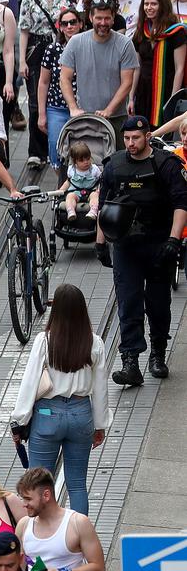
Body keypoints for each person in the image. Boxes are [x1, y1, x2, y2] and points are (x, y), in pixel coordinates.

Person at [98, 115, 187, 386]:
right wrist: (100, 242)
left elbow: (182, 204)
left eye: (136, 138)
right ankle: (130, 361)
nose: (131, 143)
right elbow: (103, 204)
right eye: (126, 139)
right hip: (126, 246)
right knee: (128, 303)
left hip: (159, 244)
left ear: (148, 136)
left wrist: (173, 240)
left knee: (158, 305)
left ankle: (158, 353)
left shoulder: (166, 164)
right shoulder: (115, 166)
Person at [10, 286, 109, 515]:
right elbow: (101, 389)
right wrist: (100, 425)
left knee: (38, 485)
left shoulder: (44, 341)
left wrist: (19, 420)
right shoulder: (95, 343)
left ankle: (43, 537)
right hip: (81, 414)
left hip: (47, 415)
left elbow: (30, 381)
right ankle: (79, 539)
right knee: (77, 485)